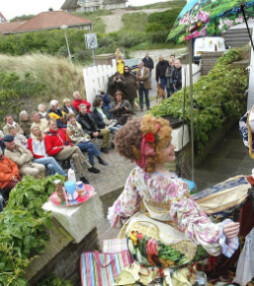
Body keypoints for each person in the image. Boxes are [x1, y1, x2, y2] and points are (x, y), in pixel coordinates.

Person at [108, 115, 240, 284]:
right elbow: (188, 218)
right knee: (191, 250)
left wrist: (119, 220)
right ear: (152, 153)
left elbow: (125, 207)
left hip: (142, 228)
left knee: (145, 253)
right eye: (166, 145)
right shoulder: (173, 186)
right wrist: (216, 233)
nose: (174, 147)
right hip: (167, 235)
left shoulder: (136, 175)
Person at [44, 119, 91, 183]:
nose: (54, 126)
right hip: (58, 154)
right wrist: (61, 147)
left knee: (76, 155)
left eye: (55, 124)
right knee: (76, 148)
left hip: (67, 150)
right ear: (49, 126)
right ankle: (87, 164)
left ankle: (82, 176)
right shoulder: (47, 136)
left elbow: (67, 140)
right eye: (52, 125)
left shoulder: (60, 131)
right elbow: (49, 151)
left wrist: (69, 145)